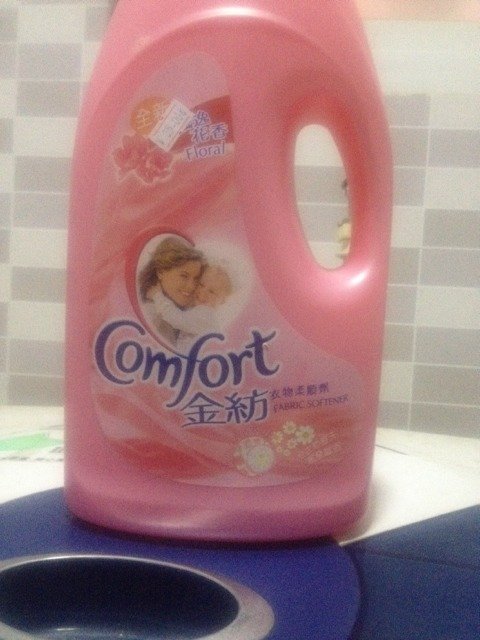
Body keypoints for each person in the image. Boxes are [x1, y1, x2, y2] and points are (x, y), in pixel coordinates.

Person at [138, 236, 206, 345]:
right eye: (184, 276)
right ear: (161, 272)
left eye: (196, 279)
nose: (191, 286)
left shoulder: (190, 313)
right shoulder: (153, 317)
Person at [149, 263, 233, 337]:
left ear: (222, 301)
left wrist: (157, 295)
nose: (202, 292)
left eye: (212, 291)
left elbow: (176, 319)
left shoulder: (206, 315)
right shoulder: (196, 309)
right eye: (201, 285)